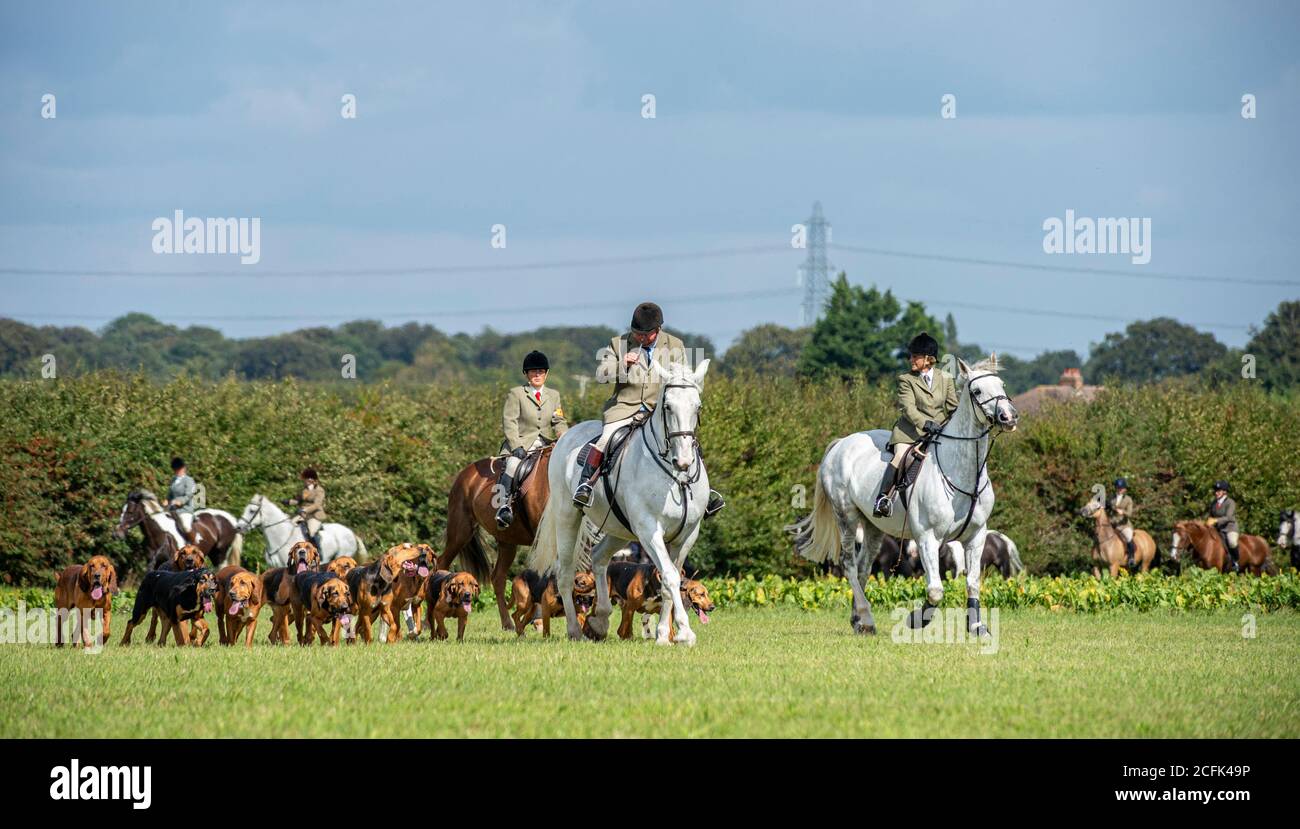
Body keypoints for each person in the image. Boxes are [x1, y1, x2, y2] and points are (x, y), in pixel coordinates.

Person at [573, 301, 724, 517]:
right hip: (625, 408)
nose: (641, 339)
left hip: (659, 410)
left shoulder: (675, 345)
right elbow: (601, 375)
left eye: (647, 335)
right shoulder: (618, 344)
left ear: (658, 330)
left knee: (686, 439)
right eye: (637, 334)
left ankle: (705, 495)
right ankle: (585, 485)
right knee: (606, 438)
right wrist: (622, 365)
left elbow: (683, 378)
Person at [873, 332, 958, 518]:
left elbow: (953, 407)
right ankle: (883, 499)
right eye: (911, 355)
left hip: (938, 433)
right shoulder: (906, 380)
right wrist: (926, 424)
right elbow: (908, 409)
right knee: (900, 457)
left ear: (929, 359)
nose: (911, 359)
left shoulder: (946, 378)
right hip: (910, 433)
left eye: (915, 356)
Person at [495, 350, 568, 528]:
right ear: (526, 374)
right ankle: (503, 507)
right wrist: (516, 446)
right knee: (512, 465)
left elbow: (558, 421)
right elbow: (509, 421)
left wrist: (564, 437)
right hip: (522, 443)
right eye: (533, 371)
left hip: (545, 443)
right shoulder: (517, 393)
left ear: (546, 373)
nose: (537, 375)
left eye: (540, 371)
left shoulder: (554, 395)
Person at [287, 468, 327, 550]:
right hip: (303, 514)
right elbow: (298, 501)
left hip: (314, 515)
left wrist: (305, 510)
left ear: (313, 480)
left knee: (311, 532)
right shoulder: (304, 490)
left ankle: (318, 551)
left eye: (308, 478)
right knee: (290, 525)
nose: (306, 480)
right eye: (305, 478)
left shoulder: (319, 490)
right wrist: (288, 502)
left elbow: (317, 505)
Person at [1207, 480, 1240, 574]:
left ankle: (1235, 562)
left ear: (1224, 491)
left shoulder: (1230, 502)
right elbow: (1210, 515)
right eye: (1215, 491)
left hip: (1230, 528)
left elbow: (1229, 517)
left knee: (1232, 542)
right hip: (1217, 529)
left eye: (1218, 491)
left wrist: (1216, 520)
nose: (1216, 493)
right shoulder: (1213, 503)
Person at [163, 456, 197, 537]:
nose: (177, 471)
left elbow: (189, 495)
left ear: (184, 468)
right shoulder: (173, 480)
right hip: (172, 509)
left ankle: (192, 545)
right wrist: (166, 500)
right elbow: (170, 494)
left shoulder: (189, 480)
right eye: (175, 469)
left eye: (179, 469)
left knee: (186, 526)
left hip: (185, 509)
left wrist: (181, 501)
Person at [1109, 478, 1137, 568]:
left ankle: (1131, 558)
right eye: (1118, 488)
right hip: (1112, 524)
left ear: (1125, 489)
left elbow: (1130, 513)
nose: (1119, 490)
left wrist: (1123, 512)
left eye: (1121, 488)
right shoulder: (1111, 498)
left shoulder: (1128, 499)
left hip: (1124, 525)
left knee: (1129, 537)